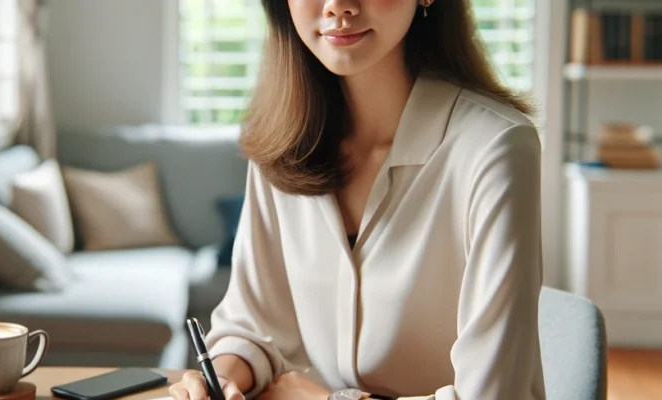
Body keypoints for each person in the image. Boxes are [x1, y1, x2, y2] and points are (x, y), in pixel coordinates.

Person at [170, 0, 545, 399]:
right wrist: (224, 376)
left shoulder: (496, 149)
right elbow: (252, 323)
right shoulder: (283, 143)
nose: (337, 6)